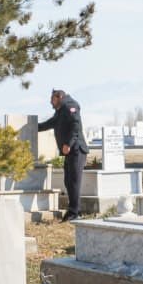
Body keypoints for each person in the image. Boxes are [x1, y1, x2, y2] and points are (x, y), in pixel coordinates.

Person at [39, 89, 89, 220]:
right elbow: (49, 123)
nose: (51, 102)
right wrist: (33, 126)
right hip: (70, 152)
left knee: (74, 181)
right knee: (68, 181)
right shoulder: (60, 111)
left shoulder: (70, 105)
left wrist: (68, 143)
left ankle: (74, 213)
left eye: (52, 99)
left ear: (59, 97)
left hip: (76, 150)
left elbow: (75, 125)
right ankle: (74, 210)